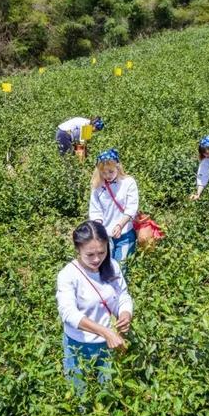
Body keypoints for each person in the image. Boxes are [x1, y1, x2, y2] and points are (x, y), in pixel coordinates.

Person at [56, 220, 133, 392]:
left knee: (107, 389)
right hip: (79, 344)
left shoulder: (112, 266)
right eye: (90, 254)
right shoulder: (68, 275)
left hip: (107, 345)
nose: (97, 259)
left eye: (102, 252)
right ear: (78, 250)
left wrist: (125, 314)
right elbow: (68, 314)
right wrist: (105, 332)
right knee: (79, 390)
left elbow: (122, 295)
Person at [89, 148, 139, 267]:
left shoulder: (128, 182)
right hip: (105, 235)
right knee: (106, 267)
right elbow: (95, 210)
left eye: (110, 172)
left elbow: (131, 208)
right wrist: (99, 227)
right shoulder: (97, 186)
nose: (107, 176)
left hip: (125, 232)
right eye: (103, 173)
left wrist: (120, 225)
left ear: (118, 167)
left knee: (121, 267)